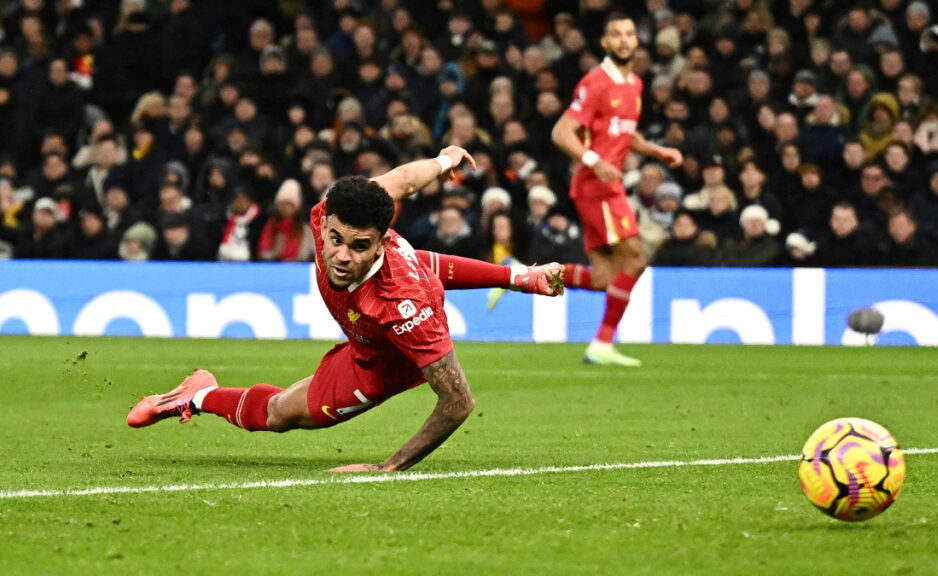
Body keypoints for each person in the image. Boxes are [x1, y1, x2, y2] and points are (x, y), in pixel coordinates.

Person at [127, 147, 565, 472]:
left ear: (381, 240)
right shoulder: (328, 215)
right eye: (336, 240)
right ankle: (193, 394)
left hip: (385, 360)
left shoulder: (404, 307)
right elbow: (404, 180)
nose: (340, 256)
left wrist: (388, 467)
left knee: (281, 416)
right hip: (366, 328)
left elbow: (457, 401)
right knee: (278, 409)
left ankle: (196, 398)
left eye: (359, 247)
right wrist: (444, 159)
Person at [551, 13, 682, 367]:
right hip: (597, 186)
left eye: (629, 34)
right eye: (616, 35)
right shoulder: (596, 82)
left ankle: (521, 273)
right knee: (636, 259)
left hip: (607, 186)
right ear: (605, 42)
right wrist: (594, 160)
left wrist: (656, 152)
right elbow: (561, 132)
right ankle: (603, 343)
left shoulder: (635, 84)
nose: (624, 40)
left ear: (636, 41)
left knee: (605, 278)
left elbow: (623, 133)